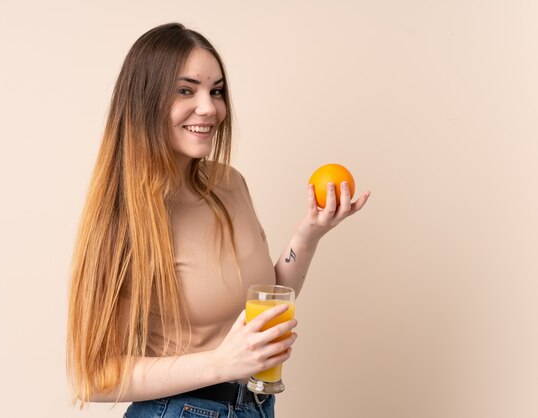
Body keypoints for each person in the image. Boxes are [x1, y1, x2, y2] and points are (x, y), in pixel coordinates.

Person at [66, 22, 370, 418]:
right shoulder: (125, 218)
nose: (209, 107)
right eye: (186, 90)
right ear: (145, 100)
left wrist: (309, 234)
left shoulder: (229, 184)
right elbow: (94, 377)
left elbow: (265, 300)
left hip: (256, 406)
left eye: (216, 91)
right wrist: (222, 363)